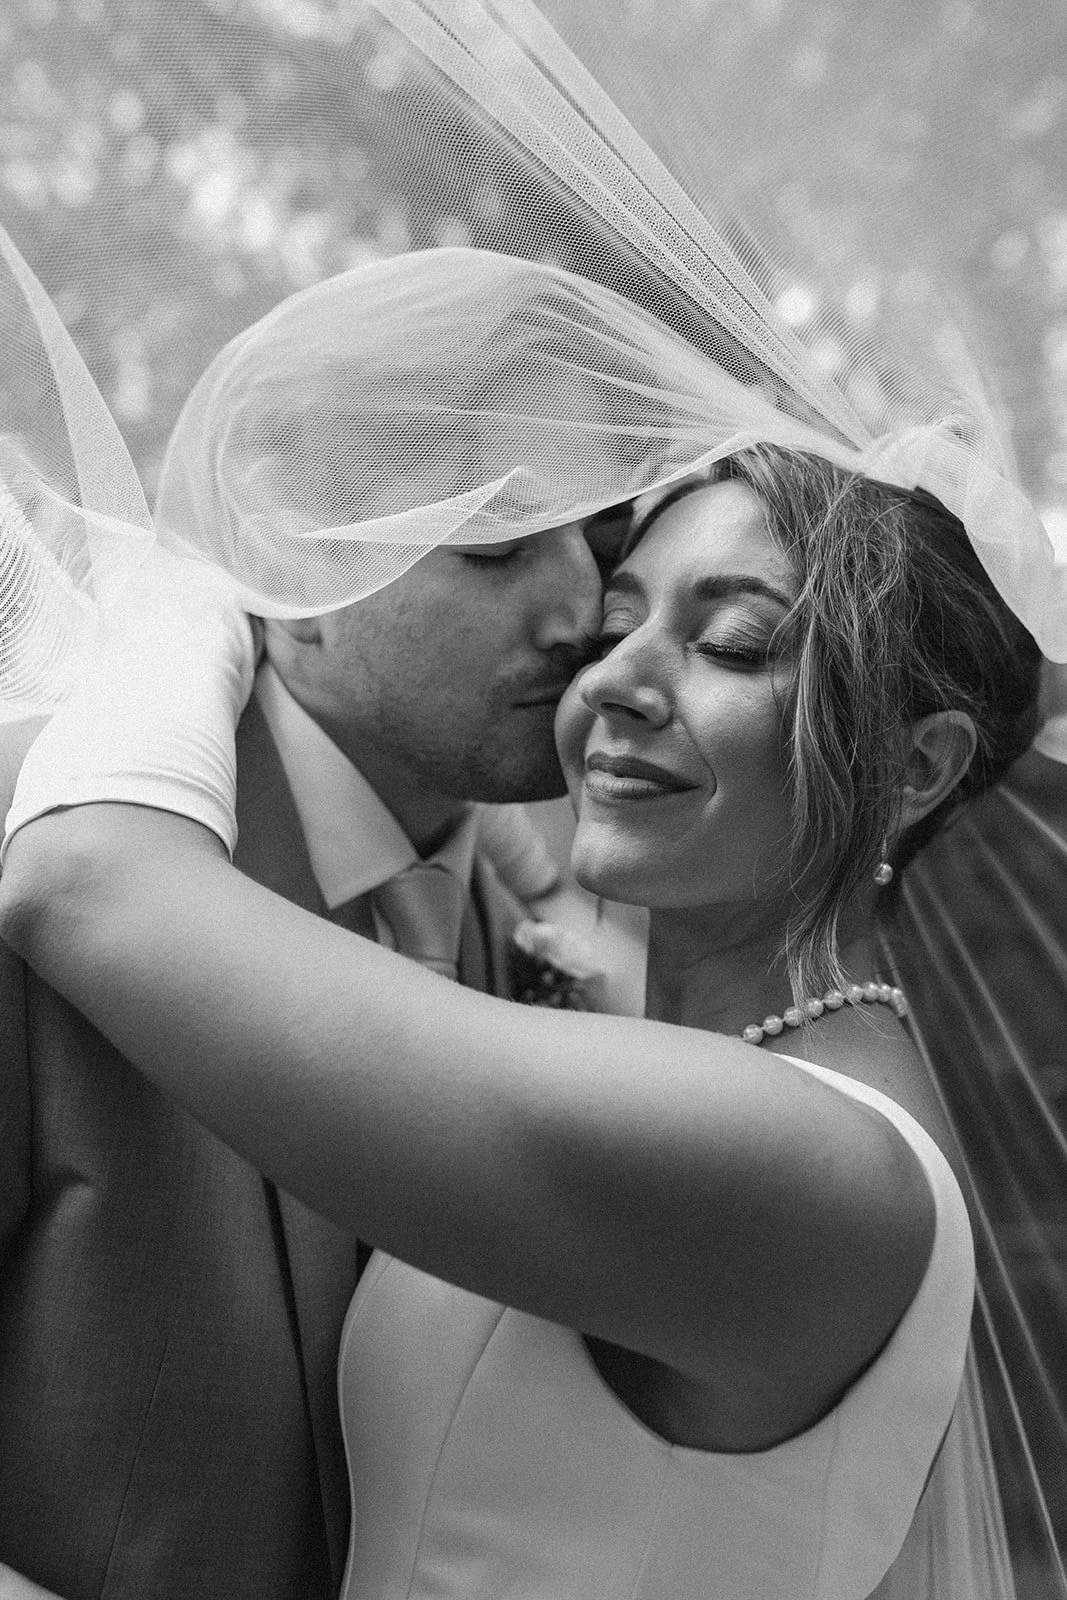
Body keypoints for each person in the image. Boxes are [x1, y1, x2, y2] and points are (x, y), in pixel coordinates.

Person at [0, 431, 1045, 1598]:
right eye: (616, 627)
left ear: (915, 766)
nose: (605, 682)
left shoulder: (805, 1162)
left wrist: (201, 600)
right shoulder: (688, 1056)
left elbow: (87, 879)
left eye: (730, 643)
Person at [0, 248, 605, 1600]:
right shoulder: (45, 828)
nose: (582, 612)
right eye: (498, 542)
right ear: (292, 557)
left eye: (598, 534)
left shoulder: (536, 934)